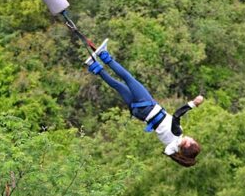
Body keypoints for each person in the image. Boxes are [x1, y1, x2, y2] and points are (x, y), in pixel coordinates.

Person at [85, 39, 203, 167]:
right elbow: (169, 152)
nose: (192, 138)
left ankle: (104, 55)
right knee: (118, 86)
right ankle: (94, 66)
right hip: (139, 113)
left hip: (147, 106)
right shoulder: (170, 148)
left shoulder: (178, 134)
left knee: (128, 78)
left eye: (192, 141)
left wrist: (193, 104)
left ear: (187, 145)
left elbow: (176, 115)